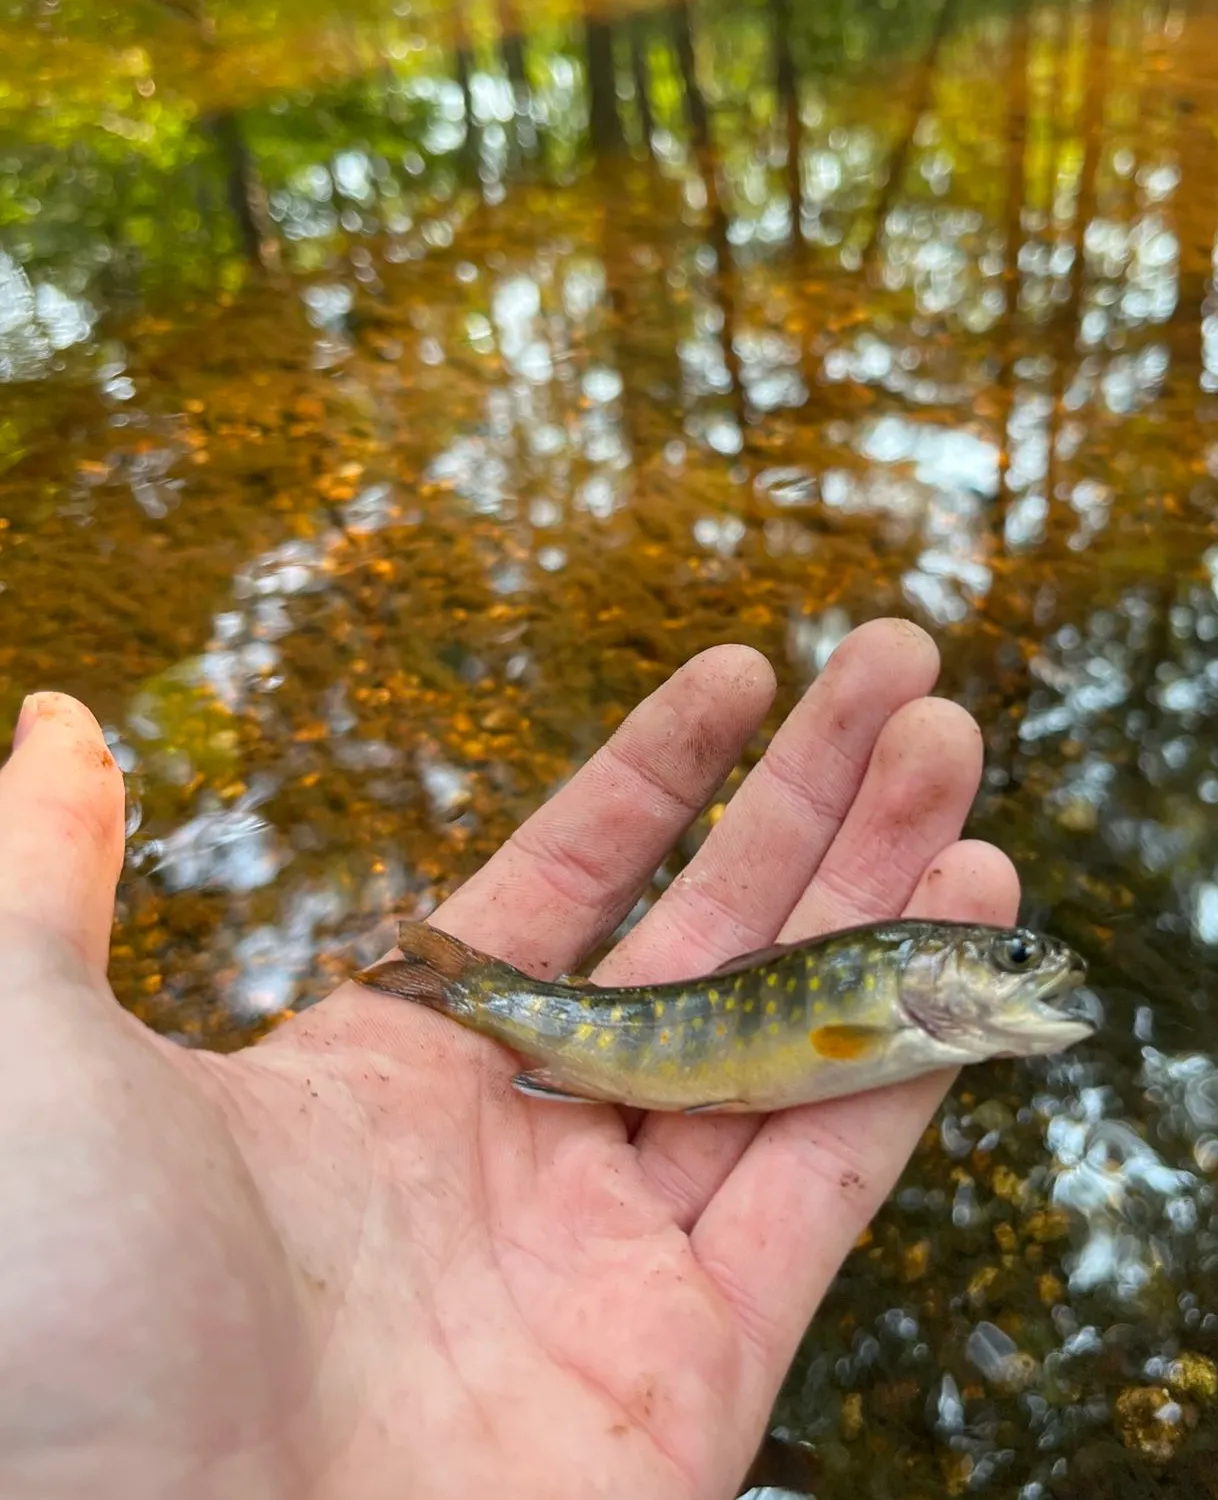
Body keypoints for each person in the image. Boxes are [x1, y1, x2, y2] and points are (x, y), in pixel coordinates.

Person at [0, 617, 1021, 1500]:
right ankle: (467, 987)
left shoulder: (902, 1013)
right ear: (943, 969)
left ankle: (469, 986)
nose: (1026, 980)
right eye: (1013, 963)